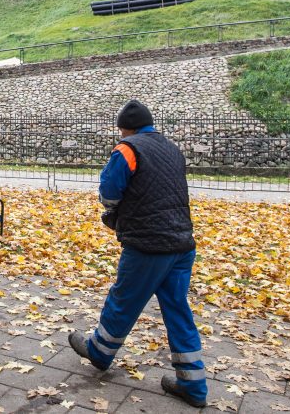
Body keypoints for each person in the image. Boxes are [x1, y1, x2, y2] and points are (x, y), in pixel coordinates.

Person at [68, 99, 208, 408]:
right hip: (182, 244)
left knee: (123, 299)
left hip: (148, 245)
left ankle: (99, 351)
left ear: (125, 128)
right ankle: (194, 385)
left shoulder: (128, 149)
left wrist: (113, 214)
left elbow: (109, 191)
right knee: (177, 310)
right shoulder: (172, 148)